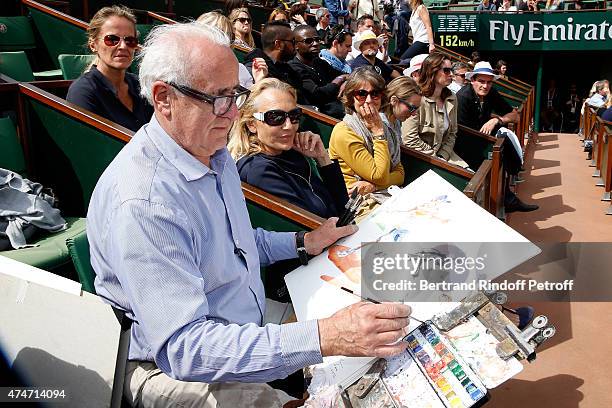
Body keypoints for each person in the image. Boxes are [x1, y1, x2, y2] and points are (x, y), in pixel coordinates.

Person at [88, 22, 412, 407]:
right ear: (163, 98)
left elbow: (240, 241)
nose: (233, 112)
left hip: (242, 326)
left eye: (236, 95)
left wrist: (303, 242)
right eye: (219, 97)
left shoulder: (212, 152)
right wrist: (327, 336)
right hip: (171, 369)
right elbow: (185, 348)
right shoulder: (145, 203)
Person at [229, 78, 349, 218]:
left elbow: (344, 208)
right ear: (252, 124)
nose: (289, 126)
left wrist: (322, 157)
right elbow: (313, 226)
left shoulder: (290, 153)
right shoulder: (259, 171)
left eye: (294, 116)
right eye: (275, 117)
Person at [457, 61, 538, 213]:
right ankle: (502, 203)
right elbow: (461, 132)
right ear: (472, 80)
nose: (485, 86)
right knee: (492, 157)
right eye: (481, 81)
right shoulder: (463, 97)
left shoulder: (491, 93)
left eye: (489, 82)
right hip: (464, 144)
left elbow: (515, 116)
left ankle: (508, 198)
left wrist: (497, 120)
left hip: (482, 141)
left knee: (502, 146)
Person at [66, 6, 152, 132]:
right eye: (112, 39)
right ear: (93, 45)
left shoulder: (140, 85)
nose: (123, 46)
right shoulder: (83, 92)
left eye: (130, 40)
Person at [329, 67, 405, 196]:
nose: (369, 100)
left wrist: (373, 185)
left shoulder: (385, 126)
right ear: (351, 97)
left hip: (385, 193)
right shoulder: (344, 131)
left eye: (375, 94)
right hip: (359, 202)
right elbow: (379, 176)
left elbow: (400, 174)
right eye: (362, 94)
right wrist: (378, 133)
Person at [402, 53, 469, 168]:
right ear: (432, 72)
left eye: (451, 70)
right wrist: (436, 158)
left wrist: (443, 156)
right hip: (420, 159)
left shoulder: (452, 98)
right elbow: (410, 139)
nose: (452, 75)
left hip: (445, 156)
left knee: (474, 178)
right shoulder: (416, 98)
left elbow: (452, 133)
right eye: (446, 71)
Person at [197, 12, 268, 90]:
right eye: (242, 20)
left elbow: (246, 100)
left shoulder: (240, 70)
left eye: (229, 36)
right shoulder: (185, 65)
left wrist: (258, 81)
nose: (246, 22)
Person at [289, 25, 346, 118]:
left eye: (317, 40)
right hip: (319, 117)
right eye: (308, 41)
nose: (315, 43)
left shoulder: (318, 62)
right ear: (296, 45)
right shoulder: (293, 68)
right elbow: (317, 94)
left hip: (337, 109)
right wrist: (339, 80)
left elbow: (343, 74)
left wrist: (345, 79)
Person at [244, 21, 308, 103]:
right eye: (292, 42)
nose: (296, 46)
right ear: (278, 44)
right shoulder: (255, 70)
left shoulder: (288, 70)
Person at [398, 0, 435, 65]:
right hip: (417, 40)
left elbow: (428, 26)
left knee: (403, 60)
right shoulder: (414, 11)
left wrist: (431, 44)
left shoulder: (421, 8)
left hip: (423, 41)